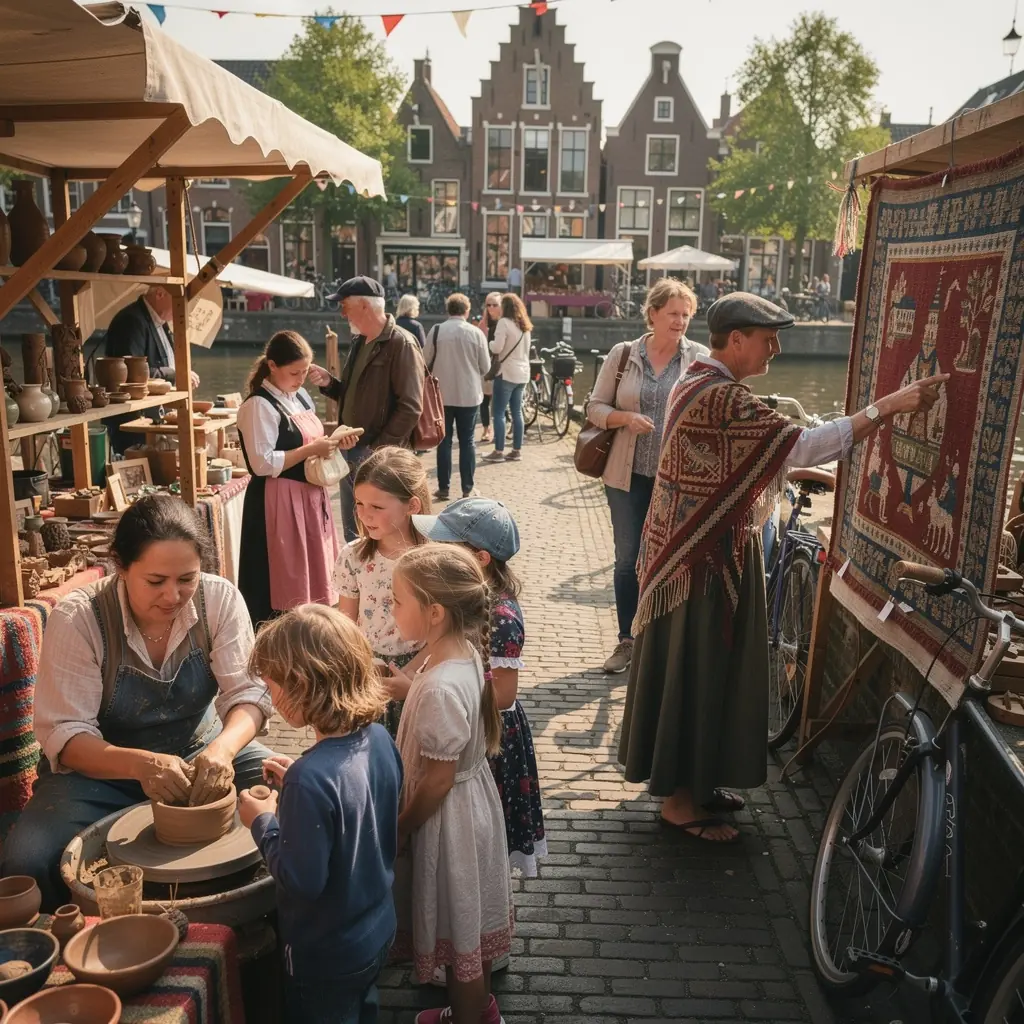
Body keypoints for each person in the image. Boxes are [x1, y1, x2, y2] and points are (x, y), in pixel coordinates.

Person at [618, 292, 949, 843]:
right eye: (768, 338)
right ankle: (679, 802)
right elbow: (805, 446)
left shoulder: (700, 379)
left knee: (709, 671)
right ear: (738, 339)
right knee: (698, 671)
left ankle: (698, 783)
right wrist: (887, 408)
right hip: (700, 560)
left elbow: (758, 456)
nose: (776, 348)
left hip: (699, 549)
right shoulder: (719, 395)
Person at [1, 495, 274, 908]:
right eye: (155, 581)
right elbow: (66, 734)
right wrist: (139, 765)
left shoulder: (218, 599)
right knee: (28, 859)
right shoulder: (80, 618)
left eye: (187, 579)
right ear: (121, 568)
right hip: (100, 774)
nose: (173, 595)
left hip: (202, 756)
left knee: (297, 800)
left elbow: (249, 695)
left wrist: (223, 749)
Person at [239, 605, 403, 1024]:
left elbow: (301, 880)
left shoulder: (309, 780)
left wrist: (262, 820)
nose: (270, 696)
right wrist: (301, 778)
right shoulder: (381, 738)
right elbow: (360, 801)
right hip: (378, 928)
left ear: (301, 685)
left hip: (326, 955)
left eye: (272, 684)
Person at [389, 545, 512, 1024]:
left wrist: (401, 826)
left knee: (461, 931)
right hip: (472, 807)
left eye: (398, 600)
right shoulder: (457, 653)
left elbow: (437, 780)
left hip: (450, 821)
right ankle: (479, 1010)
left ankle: (469, 1017)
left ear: (434, 612)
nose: (391, 609)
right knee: (470, 928)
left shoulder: (441, 685)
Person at [411, 499, 546, 891]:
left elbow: (503, 696)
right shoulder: (465, 599)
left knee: (485, 824)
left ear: (480, 558)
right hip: (471, 724)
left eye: (444, 545)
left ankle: (479, 903)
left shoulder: (501, 618)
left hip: (488, 736)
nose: (432, 550)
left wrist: (444, 690)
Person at [586, 279, 708, 676]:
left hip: (677, 480)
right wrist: (624, 418)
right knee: (627, 559)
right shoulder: (623, 355)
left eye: (686, 314)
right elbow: (593, 406)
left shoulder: (699, 358)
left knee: (671, 560)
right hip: (627, 477)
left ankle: (662, 643)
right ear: (652, 313)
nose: (680, 321)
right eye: (672, 313)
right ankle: (627, 640)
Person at [236, 331, 351, 629]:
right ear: (272, 366)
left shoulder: (298, 396)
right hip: (277, 499)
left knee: (310, 571)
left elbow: (309, 441)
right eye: (294, 372)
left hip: (308, 496)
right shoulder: (258, 406)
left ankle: (311, 631)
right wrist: (313, 448)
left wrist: (334, 443)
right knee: (282, 577)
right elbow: (261, 464)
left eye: (305, 371)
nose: (301, 379)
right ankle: (277, 640)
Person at [307, 276, 425, 543]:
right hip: (350, 448)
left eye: (344, 305)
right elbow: (354, 393)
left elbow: (411, 406)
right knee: (354, 528)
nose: (341, 312)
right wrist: (330, 384)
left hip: (375, 452)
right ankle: (355, 581)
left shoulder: (400, 343)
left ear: (364, 306)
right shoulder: (360, 342)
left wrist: (378, 452)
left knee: (382, 529)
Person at [333, 446, 430, 735]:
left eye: (377, 507)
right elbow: (347, 623)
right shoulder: (352, 557)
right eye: (359, 504)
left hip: (422, 673)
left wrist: (409, 673)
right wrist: (362, 667)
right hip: (368, 672)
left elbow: (445, 631)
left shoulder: (434, 559)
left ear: (412, 505)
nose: (364, 515)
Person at [103, 284, 200, 453]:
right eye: (177, 300)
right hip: (134, 422)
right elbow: (132, 374)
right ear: (160, 294)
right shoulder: (131, 321)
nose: (181, 306)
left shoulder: (160, 323)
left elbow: (165, 362)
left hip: (155, 417)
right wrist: (176, 375)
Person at [423, 294, 490, 501]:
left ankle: (443, 488)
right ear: (467, 311)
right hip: (469, 395)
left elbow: (425, 362)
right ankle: (467, 488)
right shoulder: (476, 333)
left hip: (441, 395)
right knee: (467, 440)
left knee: (444, 440)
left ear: (448, 310)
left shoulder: (436, 331)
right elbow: (485, 367)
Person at [483, 293, 531, 464]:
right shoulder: (524, 326)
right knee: (517, 412)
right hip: (523, 373)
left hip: (506, 373)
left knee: (498, 412)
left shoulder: (504, 323)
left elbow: (497, 347)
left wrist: (486, 342)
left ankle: (498, 451)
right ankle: (516, 450)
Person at [475, 293, 503, 444]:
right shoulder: (483, 323)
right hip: (486, 364)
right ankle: (486, 429)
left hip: (500, 365)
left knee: (500, 401)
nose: (491, 308)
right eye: (488, 305)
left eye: (494, 304)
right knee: (484, 401)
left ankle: (502, 430)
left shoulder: (504, 323)